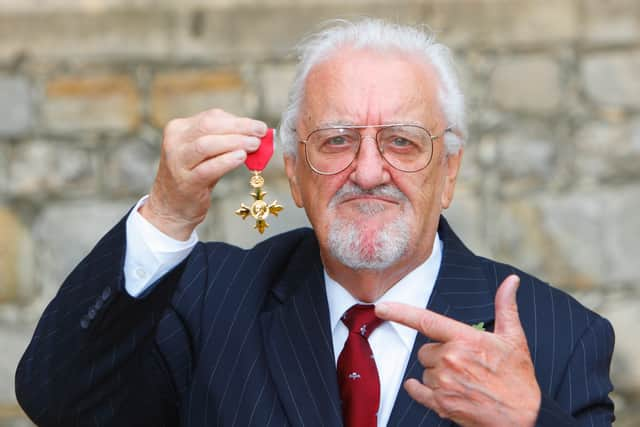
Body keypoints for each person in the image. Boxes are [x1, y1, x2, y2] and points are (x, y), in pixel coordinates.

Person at [16, 19, 614, 427]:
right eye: (336, 141)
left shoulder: (559, 335)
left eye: (403, 143)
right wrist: (167, 213)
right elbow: (59, 399)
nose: (369, 171)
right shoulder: (209, 300)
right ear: (295, 173)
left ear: (450, 173)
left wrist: (529, 420)